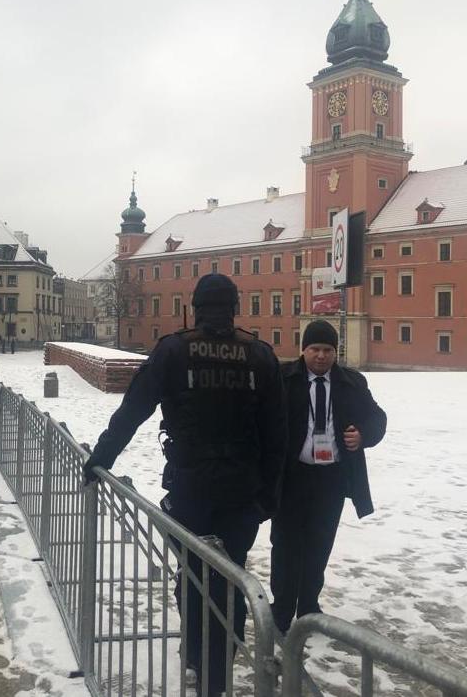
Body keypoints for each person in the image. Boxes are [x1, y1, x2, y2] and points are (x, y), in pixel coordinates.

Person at [82, 274, 287, 695]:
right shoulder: (260, 355)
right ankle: (219, 671)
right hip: (241, 491)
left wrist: (100, 459)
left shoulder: (174, 350)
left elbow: (132, 411)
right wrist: (268, 495)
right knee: (231, 577)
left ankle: (196, 655)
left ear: (194, 308)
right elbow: (277, 434)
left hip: (191, 486)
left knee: (193, 573)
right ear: (235, 307)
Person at [269, 319, 387, 634]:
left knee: (319, 545)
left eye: (327, 350)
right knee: (285, 546)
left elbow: (377, 418)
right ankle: (281, 610)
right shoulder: (283, 379)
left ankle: (308, 606)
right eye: (315, 349)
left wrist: (363, 434)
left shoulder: (352, 382)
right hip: (292, 478)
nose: (321, 356)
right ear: (303, 350)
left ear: (335, 352)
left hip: (331, 480)